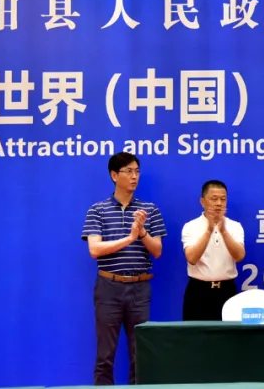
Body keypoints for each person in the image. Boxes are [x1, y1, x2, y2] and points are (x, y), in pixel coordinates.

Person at [82, 152, 166, 386]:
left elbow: (157, 251)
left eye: (137, 171)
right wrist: (129, 238)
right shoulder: (97, 210)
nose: (134, 176)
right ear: (114, 175)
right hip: (109, 287)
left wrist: (142, 232)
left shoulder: (149, 210)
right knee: (105, 356)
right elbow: (95, 249)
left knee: (140, 354)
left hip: (140, 288)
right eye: (128, 171)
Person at [180, 180, 245, 321]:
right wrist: (209, 230)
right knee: (195, 334)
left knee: (229, 333)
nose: (219, 203)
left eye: (223, 199)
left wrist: (223, 231)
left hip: (227, 291)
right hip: (198, 291)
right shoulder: (190, 226)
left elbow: (240, 256)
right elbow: (192, 258)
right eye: (214, 199)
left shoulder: (235, 226)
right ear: (202, 202)